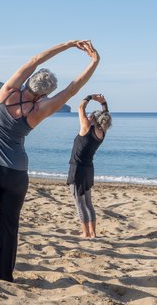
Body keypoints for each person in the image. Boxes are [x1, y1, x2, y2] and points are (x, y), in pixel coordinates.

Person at [0, 40, 100, 282]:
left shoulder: (6, 92)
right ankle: (5, 277)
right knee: (9, 227)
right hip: (15, 173)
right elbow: (73, 89)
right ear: (44, 93)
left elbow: (35, 61)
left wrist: (69, 45)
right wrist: (94, 62)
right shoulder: (39, 110)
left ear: (30, 81)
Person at [67, 93, 111, 238]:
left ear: (92, 119)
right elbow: (105, 116)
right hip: (88, 169)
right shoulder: (102, 132)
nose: (88, 116)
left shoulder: (86, 127)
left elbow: (81, 107)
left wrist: (90, 96)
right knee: (88, 203)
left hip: (78, 169)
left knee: (79, 203)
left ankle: (85, 233)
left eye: (90, 115)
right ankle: (93, 233)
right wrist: (103, 103)